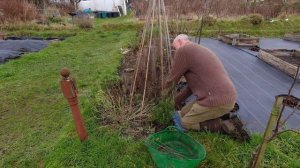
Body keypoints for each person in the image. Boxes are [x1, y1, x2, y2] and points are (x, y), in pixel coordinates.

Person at [164, 34, 249, 141]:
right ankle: (218, 116)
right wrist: (176, 101)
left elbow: (172, 79)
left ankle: (223, 125)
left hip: (216, 101)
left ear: (180, 41)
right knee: (181, 113)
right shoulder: (197, 50)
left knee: (185, 123)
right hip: (225, 98)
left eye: (174, 46)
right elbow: (191, 87)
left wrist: (161, 97)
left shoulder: (184, 50)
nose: (174, 50)